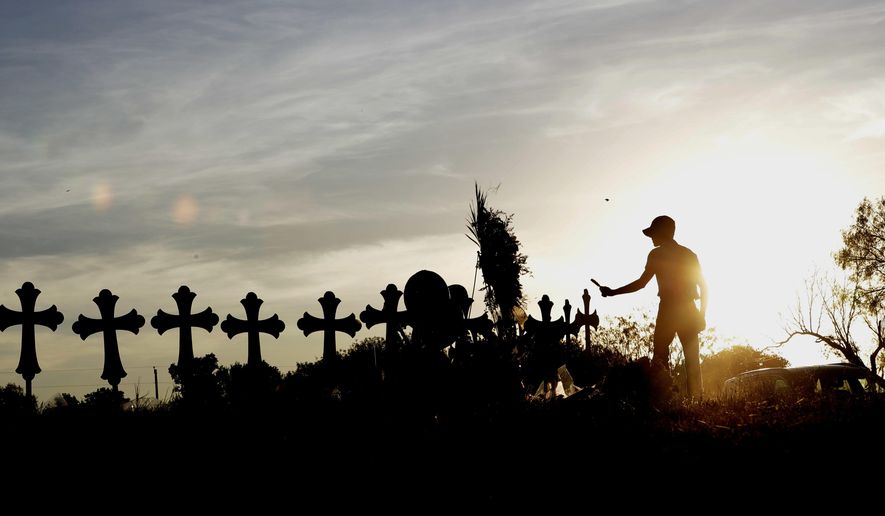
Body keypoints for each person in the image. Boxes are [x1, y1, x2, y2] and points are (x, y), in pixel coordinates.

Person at [596, 215, 707, 398]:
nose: (651, 238)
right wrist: (701, 314)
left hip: (669, 310)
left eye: (653, 233)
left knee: (660, 359)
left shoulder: (657, 255)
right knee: (691, 360)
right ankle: (695, 401)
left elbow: (641, 283)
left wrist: (613, 292)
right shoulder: (689, 254)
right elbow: (704, 287)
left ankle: (662, 398)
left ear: (662, 233)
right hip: (688, 310)